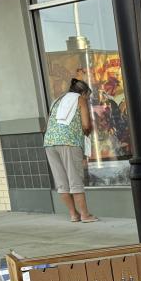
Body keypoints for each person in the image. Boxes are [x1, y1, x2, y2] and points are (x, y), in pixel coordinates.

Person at [44, 78, 98, 222]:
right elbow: (86, 125)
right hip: (69, 142)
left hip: (49, 142)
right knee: (75, 179)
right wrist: (89, 131)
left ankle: (74, 214)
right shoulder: (80, 99)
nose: (88, 100)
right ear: (83, 93)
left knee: (61, 181)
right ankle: (85, 215)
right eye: (88, 96)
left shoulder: (56, 100)